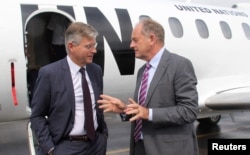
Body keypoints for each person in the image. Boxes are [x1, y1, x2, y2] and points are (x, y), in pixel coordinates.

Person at [98, 18, 199, 155]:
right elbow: (143, 110)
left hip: (168, 150)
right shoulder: (143, 71)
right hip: (140, 147)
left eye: (135, 40)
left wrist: (148, 113)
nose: (131, 45)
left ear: (152, 39)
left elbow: (189, 110)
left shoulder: (180, 65)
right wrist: (125, 109)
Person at [30, 22, 108, 155]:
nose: (94, 50)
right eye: (88, 46)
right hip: (65, 146)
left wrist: (103, 136)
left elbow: (97, 107)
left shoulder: (96, 70)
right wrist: (50, 148)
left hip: (96, 145)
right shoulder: (49, 74)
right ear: (71, 46)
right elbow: (37, 115)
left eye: (94, 45)